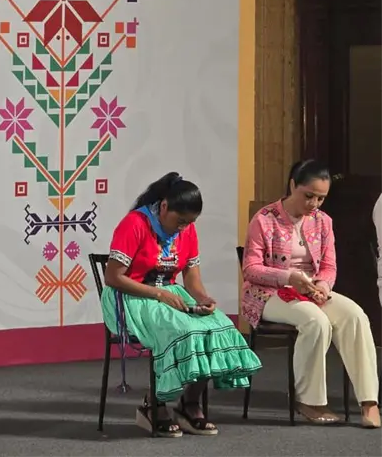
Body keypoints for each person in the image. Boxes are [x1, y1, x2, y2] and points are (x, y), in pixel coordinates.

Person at [102, 172, 262, 437]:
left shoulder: (187, 230)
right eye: (179, 221)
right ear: (164, 207)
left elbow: (192, 278)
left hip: (170, 293)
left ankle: (189, 404)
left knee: (219, 326)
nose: (183, 228)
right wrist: (159, 295)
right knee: (183, 331)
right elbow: (113, 277)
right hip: (131, 296)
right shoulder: (135, 223)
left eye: (189, 223)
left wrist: (203, 299)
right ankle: (154, 405)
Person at [241, 159, 380, 428]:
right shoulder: (264, 219)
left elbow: (329, 266)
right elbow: (251, 269)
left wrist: (324, 287)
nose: (314, 204)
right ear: (292, 185)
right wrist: (288, 277)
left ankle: (369, 401)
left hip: (311, 291)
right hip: (269, 293)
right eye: (309, 196)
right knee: (315, 321)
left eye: (320, 198)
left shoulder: (323, 222)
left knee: (355, 315)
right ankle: (309, 399)